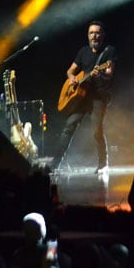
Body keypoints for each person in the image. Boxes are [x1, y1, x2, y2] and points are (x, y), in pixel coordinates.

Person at [51, 20, 116, 173]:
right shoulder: (83, 51)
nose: (94, 36)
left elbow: (110, 72)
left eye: (97, 32)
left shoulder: (109, 51)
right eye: (91, 33)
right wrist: (72, 79)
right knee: (68, 127)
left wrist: (100, 72)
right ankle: (55, 163)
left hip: (98, 97)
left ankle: (103, 163)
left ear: (102, 35)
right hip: (81, 98)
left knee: (96, 130)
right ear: (88, 35)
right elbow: (70, 71)